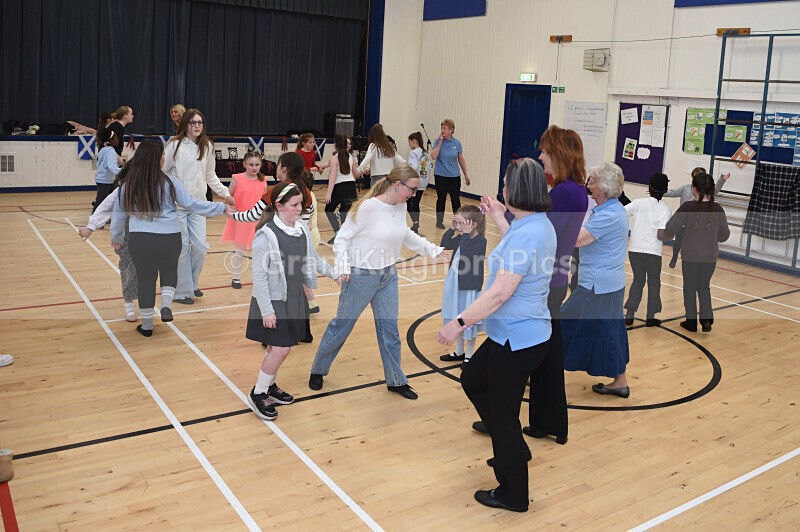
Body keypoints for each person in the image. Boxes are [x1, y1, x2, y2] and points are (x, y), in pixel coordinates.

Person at [437, 158, 556, 513]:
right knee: (473, 379)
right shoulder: (533, 224)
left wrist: (458, 323)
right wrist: (499, 216)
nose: (502, 187)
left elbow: (500, 292)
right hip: (513, 334)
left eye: (506, 183)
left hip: (519, 339)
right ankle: (515, 449)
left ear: (516, 190)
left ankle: (513, 492)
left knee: (503, 415)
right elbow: (516, 245)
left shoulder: (530, 231)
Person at [309, 164, 447, 400]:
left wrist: (432, 249)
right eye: (412, 189)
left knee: (389, 329)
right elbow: (341, 239)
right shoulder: (368, 207)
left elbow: (405, 234)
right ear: (397, 185)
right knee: (342, 325)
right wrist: (342, 267)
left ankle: (395, 379)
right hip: (361, 275)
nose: (414, 194)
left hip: (388, 275)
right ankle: (318, 369)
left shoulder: (400, 205)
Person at [110, 140, 231, 336]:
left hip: (140, 239)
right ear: (157, 159)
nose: (164, 158)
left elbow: (119, 214)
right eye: (162, 155)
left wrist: (116, 236)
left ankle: (147, 326)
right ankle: (166, 305)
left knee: (146, 279)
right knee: (169, 270)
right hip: (170, 236)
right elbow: (192, 204)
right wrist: (221, 207)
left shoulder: (128, 184)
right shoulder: (170, 181)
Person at [246, 182, 340, 420]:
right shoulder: (265, 236)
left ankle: (269, 387)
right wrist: (266, 310)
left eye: (302, 204)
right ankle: (258, 393)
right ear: (279, 206)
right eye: (295, 205)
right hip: (273, 300)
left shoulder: (301, 229)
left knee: (274, 348)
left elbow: (313, 258)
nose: (300, 209)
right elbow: (259, 276)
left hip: (293, 297)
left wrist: (334, 274)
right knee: (281, 348)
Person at [561, 162, 631, 398]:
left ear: (603, 186)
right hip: (606, 282)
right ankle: (620, 381)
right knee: (609, 330)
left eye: (591, 181)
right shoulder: (610, 209)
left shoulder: (610, 214)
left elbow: (578, 239)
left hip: (597, 284)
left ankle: (541, 371)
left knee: (562, 323)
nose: (587, 185)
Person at [233, 152, 320, 320]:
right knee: (295, 291)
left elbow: (252, 215)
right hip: (297, 247)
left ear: (284, 169)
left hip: (277, 248)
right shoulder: (306, 192)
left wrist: (232, 215)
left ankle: (274, 332)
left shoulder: (277, 190)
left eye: (278, 164)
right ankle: (300, 330)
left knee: (272, 291)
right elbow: (302, 224)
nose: (275, 167)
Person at [162, 109, 235, 305]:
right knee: (183, 248)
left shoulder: (207, 146)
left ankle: (193, 283)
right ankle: (181, 292)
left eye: (200, 122)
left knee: (201, 247)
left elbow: (210, 176)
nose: (197, 126)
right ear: (185, 124)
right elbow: (163, 171)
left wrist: (226, 194)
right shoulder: (174, 145)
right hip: (176, 206)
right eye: (193, 122)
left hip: (198, 206)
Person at [661, 172, 730, 333]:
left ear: (695, 189)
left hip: (691, 256)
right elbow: (724, 235)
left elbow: (671, 228)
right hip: (710, 257)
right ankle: (706, 321)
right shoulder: (718, 208)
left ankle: (691, 322)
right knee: (704, 287)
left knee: (690, 287)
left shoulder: (688, 207)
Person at [80, 171, 138, 322]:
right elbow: (105, 207)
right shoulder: (122, 191)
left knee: (146, 268)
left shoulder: (154, 186)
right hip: (125, 233)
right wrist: (91, 226)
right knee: (128, 266)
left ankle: (146, 301)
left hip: (147, 232)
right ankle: (129, 303)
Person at [438, 205, 486, 363]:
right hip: (455, 283)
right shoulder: (461, 237)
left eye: (460, 224)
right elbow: (445, 243)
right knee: (456, 317)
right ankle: (459, 351)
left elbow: (466, 255)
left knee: (467, 321)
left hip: (468, 286)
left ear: (473, 225)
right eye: (456, 223)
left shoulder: (480, 241)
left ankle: (469, 354)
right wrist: (451, 229)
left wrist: (464, 235)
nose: (458, 227)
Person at [624, 173, 673, 327]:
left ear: (649, 188)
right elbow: (661, 234)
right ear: (664, 191)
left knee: (638, 280)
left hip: (635, 250)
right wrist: (672, 234)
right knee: (654, 283)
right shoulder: (665, 210)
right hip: (653, 252)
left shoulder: (638, 203)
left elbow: (622, 212)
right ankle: (650, 317)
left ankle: (630, 314)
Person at [220, 151, 269, 289]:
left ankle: (260, 277)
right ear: (244, 164)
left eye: (257, 164)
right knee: (240, 249)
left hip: (258, 220)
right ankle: (235, 277)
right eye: (251, 164)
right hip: (241, 219)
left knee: (259, 249)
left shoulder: (263, 179)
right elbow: (228, 196)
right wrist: (229, 207)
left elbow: (264, 199)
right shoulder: (237, 178)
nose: (254, 167)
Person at [664, 167, 729, 268]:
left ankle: (697, 258)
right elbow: (672, 192)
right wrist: (658, 191)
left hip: (699, 226)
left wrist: (722, 179)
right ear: (692, 178)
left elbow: (716, 189)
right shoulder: (685, 189)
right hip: (684, 224)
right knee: (678, 242)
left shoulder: (709, 197)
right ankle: (674, 257)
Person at [431, 119, 471, 229]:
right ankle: (439, 221)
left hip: (454, 176)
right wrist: (439, 142)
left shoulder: (457, 143)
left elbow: (461, 159)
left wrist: (466, 174)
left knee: (455, 199)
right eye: (442, 128)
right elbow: (434, 156)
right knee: (441, 198)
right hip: (440, 175)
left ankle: (458, 222)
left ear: (451, 130)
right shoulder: (437, 141)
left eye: (445, 128)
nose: (442, 130)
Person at [323, 134, 361, 244]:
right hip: (350, 186)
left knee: (329, 209)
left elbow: (333, 176)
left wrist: (329, 193)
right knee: (344, 214)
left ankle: (338, 233)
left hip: (340, 186)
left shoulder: (334, 158)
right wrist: (364, 169)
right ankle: (344, 238)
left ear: (335, 145)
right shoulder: (351, 156)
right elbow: (356, 174)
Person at [91, 128, 123, 214]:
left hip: (106, 180)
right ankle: (94, 219)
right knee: (100, 201)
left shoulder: (103, 150)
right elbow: (112, 167)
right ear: (111, 141)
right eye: (116, 138)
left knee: (117, 195)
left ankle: (106, 216)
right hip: (105, 181)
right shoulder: (110, 151)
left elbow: (98, 165)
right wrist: (124, 171)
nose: (118, 139)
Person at [406, 132, 430, 235]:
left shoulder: (413, 153)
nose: (409, 145)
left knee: (408, 202)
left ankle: (415, 222)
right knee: (416, 203)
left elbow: (414, 166)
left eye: (409, 142)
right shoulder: (425, 153)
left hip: (415, 181)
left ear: (414, 141)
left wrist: (405, 168)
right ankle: (416, 225)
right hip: (424, 181)